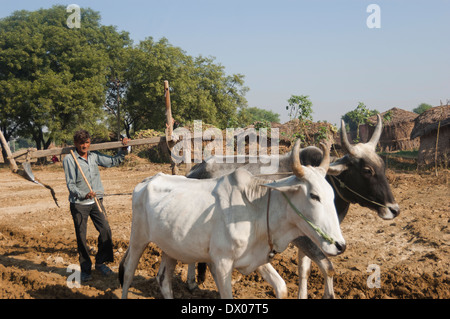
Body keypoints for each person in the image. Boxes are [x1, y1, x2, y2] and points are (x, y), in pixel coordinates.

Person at [63, 130, 129, 282]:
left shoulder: (94, 156)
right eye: (81, 143)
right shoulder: (70, 159)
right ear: (75, 144)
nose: (84, 146)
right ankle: (85, 270)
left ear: (89, 142)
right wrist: (83, 194)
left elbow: (113, 161)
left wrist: (123, 150)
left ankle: (100, 262)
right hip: (79, 204)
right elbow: (70, 184)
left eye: (86, 142)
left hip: (97, 201)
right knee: (81, 237)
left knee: (105, 230)